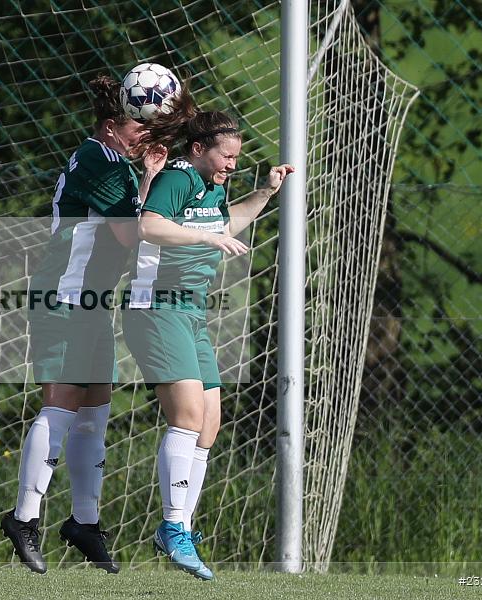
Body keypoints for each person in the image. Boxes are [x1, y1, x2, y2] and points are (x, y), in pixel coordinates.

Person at [0, 74, 176, 574]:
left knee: (96, 406)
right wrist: (146, 179)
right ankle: (24, 518)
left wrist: (143, 177)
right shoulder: (100, 159)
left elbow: (129, 227)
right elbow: (127, 235)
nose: (145, 134)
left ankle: (84, 522)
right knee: (62, 400)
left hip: (92, 300)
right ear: (110, 127)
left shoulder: (118, 162)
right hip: (65, 295)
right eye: (136, 125)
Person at [123, 111, 294, 580]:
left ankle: (180, 526)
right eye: (227, 155)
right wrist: (205, 235)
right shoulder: (177, 178)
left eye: (237, 157)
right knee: (187, 417)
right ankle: (172, 527)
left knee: (210, 425)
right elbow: (150, 226)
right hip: (157, 308)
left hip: (191, 313)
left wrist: (264, 192)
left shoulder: (214, 188)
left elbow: (227, 224)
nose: (232, 165)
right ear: (199, 149)